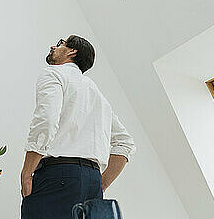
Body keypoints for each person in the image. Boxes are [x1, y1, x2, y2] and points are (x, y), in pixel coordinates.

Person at [20, 35, 135, 219]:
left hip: (57, 176)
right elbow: (125, 142)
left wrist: (27, 173)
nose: (53, 47)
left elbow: (46, 120)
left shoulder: (54, 74)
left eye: (60, 44)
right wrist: (101, 185)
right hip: (92, 180)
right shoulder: (97, 95)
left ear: (72, 52)